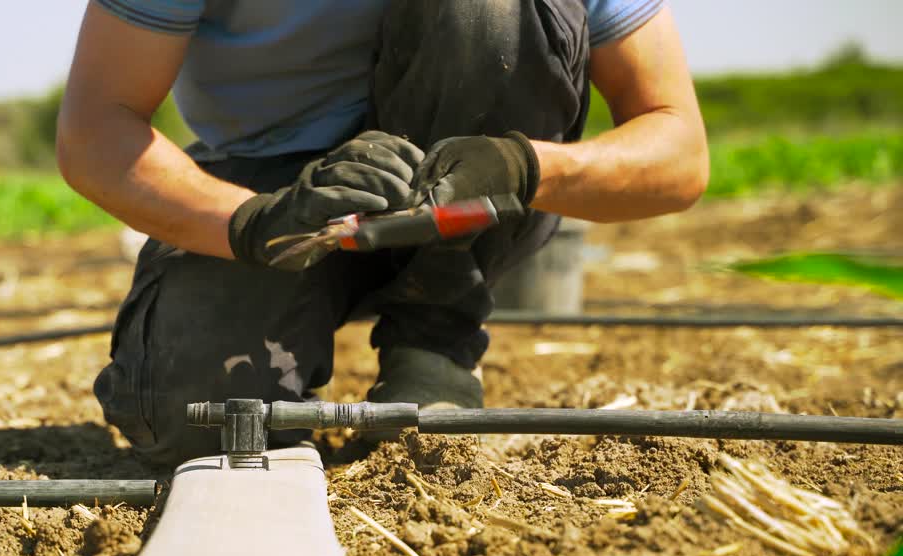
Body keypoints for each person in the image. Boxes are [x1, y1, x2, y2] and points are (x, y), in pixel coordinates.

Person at [58, 0, 709, 466]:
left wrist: (525, 166)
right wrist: (251, 223)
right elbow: (95, 128)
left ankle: (435, 334)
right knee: (203, 415)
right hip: (272, 196)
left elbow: (679, 151)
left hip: (472, 186)